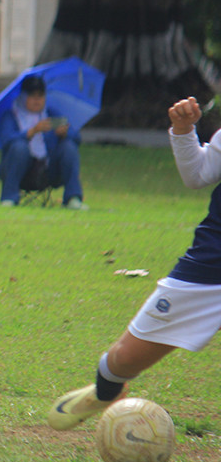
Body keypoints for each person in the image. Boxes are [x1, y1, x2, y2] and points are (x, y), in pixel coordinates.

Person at [48, 96, 217, 430]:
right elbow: (198, 174)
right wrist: (183, 131)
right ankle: (106, 391)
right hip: (211, 269)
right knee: (120, 362)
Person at [0, 75, 85, 209]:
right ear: (23, 97)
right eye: (32, 95)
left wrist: (65, 133)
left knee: (68, 146)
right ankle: (9, 198)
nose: (37, 100)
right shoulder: (12, 115)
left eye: (40, 95)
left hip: (48, 170)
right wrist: (31, 132)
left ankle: (73, 198)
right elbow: (6, 140)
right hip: (21, 170)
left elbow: (76, 137)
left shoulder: (51, 114)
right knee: (19, 147)